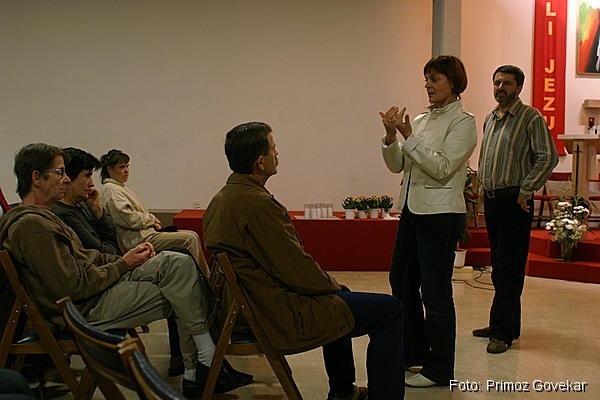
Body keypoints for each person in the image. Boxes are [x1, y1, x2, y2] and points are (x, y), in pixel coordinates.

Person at [0, 143, 252, 397]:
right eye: (59, 172)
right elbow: (72, 287)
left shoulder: (44, 216)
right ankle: (201, 365)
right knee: (184, 290)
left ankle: (201, 365)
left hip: (95, 290)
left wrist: (125, 259)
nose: (66, 179)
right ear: (36, 177)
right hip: (85, 309)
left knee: (179, 263)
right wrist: (123, 265)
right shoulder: (33, 227)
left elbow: (89, 256)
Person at [203, 122, 405, 400]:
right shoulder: (257, 204)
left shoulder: (225, 197)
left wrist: (332, 288)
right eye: (274, 149)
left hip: (252, 302)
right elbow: (294, 268)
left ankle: (343, 392)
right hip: (274, 311)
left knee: (341, 296)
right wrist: (329, 284)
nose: (277, 154)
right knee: (390, 310)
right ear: (260, 162)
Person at [379, 55, 477, 387]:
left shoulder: (463, 122)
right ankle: (413, 352)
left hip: (441, 214)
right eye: (426, 79)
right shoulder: (420, 120)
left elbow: (442, 167)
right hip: (412, 209)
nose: (428, 85)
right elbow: (397, 165)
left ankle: (440, 369)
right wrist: (391, 137)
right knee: (401, 280)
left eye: (435, 79)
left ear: (454, 82)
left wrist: (409, 137)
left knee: (435, 293)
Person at [51, 147, 188, 377]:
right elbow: (102, 249)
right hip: (102, 284)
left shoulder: (83, 205)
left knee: (182, 262)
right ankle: (192, 357)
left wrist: (97, 212)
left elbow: (109, 238)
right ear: (68, 179)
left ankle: (192, 355)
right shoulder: (64, 214)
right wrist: (123, 257)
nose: (91, 183)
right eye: (86, 176)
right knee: (180, 283)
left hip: (111, 269)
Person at [474, 65, 558, 354]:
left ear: (519, 87)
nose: (500, 88)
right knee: (499, 268)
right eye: (497, 82)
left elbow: (548, 157)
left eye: (507, 83)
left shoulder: (530, 117)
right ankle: (509, 324)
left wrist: (527, 189)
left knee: (509, 269)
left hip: (515, 201)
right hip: (493, 200)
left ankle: (501, 333)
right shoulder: (491, 118)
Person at [99, 149, 209, 276]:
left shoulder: (118, 188)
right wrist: (151, 219)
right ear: (110, 169)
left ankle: (202, 276)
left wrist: (151, 221)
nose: (126, 170)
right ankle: (204, 278)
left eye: (127, 166)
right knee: (189, 239)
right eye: (122, 167)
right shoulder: (111, 190)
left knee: (192, 235)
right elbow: (127, 218)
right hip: (138, 240)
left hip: (144, 234)